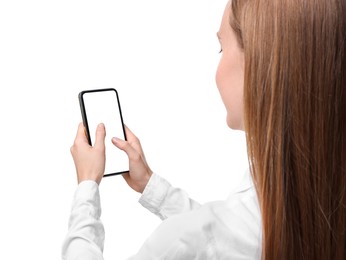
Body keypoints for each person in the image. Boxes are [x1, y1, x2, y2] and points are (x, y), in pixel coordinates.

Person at [62, 0, 346, 259]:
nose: (218, 66)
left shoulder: (187, 240)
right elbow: (225, 238)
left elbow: (206, 239)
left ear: (261, 64)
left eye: (222, 47)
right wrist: (149, 184)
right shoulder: (316, 198)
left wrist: (87, 185)